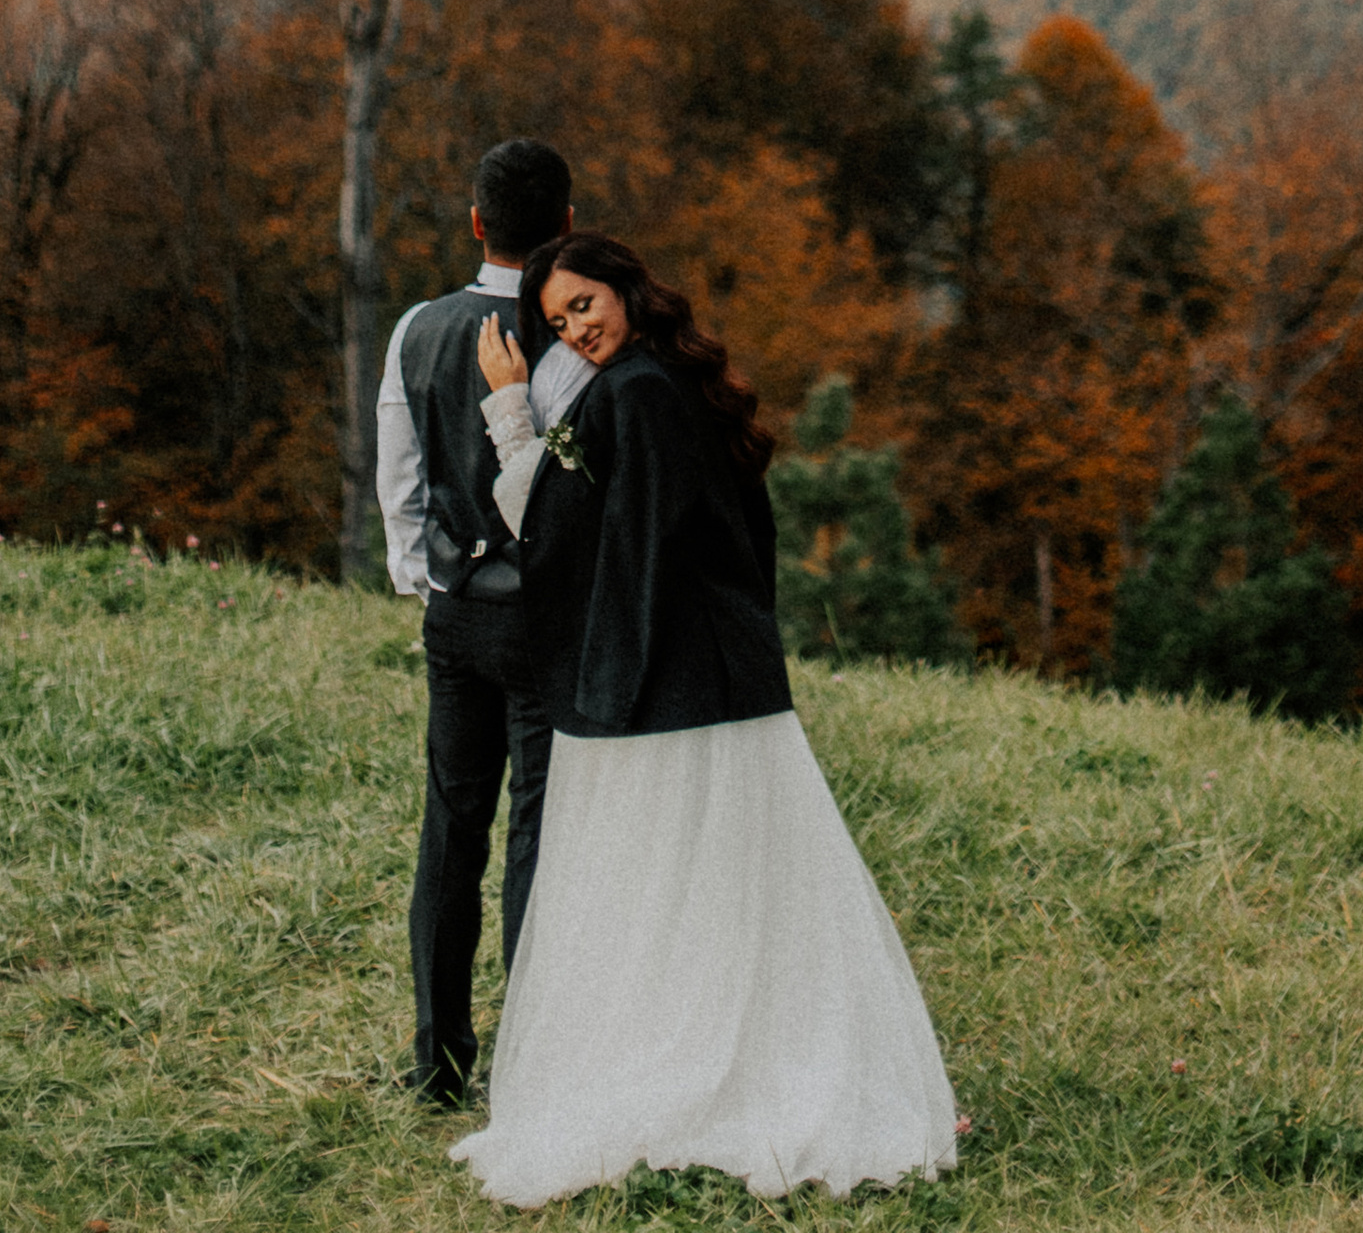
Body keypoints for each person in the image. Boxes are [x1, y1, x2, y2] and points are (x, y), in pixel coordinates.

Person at [447, 230, 958, 1206]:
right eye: (558, 322)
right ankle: (732, 1053)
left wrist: (512, 411)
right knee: (725, 885)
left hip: (671, 694)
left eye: (584, 305)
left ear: (626, 292)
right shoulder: (663, 384)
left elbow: (559, 530)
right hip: (716, 683)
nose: (576, 330)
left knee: (666, 883)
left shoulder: (634, 395)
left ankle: (703, 1075)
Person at [378, 136, 585, 1106]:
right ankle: (538, 1064)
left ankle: (436, 1060)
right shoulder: (575, 338)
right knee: (537, 840)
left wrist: (426, 582)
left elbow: (400, 478)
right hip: (547, 621)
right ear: (568, 226)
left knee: (452, 832)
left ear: (475, 223)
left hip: (455, 618)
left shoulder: (420, 326)